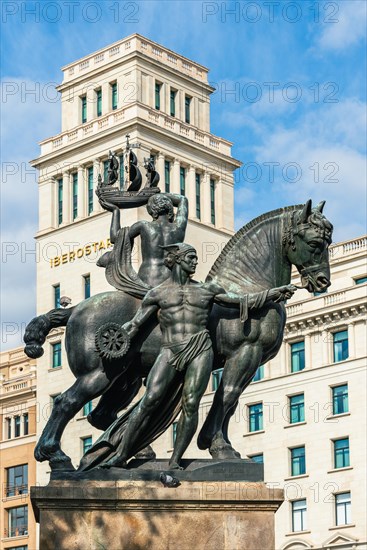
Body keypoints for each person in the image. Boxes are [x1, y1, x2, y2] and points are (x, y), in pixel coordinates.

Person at [98, 243, 296, 470]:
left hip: (200, 349)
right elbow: (136, 324)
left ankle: (174, 462)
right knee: (148, 402)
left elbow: (241, 302)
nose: (195, 262)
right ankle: (122, 454)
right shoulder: (157, 293)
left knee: (190, 404)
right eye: (190, 257)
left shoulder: (207, 290)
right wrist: (117, 341)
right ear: (176, 260)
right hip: (170, 350)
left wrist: (273, 293)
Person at [97, 193, 188, 287]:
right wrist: (158, 195)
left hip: (149, 277)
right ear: (169, 208)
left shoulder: (144, 226)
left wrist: (115, 211)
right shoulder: (178, 227)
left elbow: (115, 237)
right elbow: (183, 199)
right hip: (172, 279)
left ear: (152, 211)